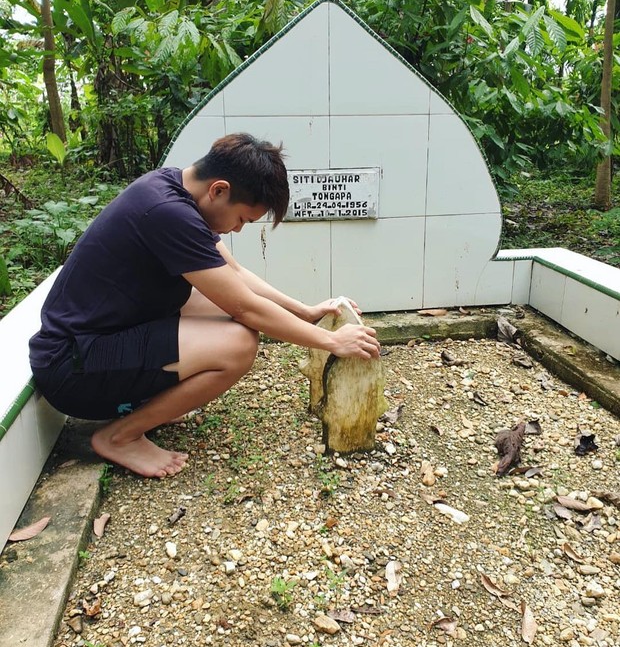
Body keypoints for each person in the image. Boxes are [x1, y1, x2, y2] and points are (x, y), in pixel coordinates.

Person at [29, 133, 380, 479]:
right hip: (72, 368)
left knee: (219, 307)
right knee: (239, 344)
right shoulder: (168, 213)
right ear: (219, 190)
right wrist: (332, 342)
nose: (238, 230)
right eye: (242, 219)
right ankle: (120, 437)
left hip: (92, 341)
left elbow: (235, 273)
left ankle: (153, 406)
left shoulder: (172, 187)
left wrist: (304, 311)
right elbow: (247, 308)